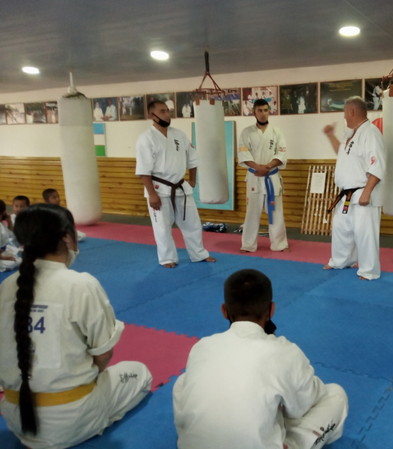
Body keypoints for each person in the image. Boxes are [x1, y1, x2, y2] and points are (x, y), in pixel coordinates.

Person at [0, 204, 152, 449]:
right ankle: (96, 416)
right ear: (67, 237)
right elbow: (103, 354)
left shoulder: (6, 286)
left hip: (16, 418)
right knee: (140, 372)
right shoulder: (81, 285)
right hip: (72, 417)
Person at [173, 268, 348, 449]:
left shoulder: (201, 347)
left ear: (224, 311)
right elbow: (304, 405)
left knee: (183, 381)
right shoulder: (285, 352)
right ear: (271, 309)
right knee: (335, 395)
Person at [135, 100, 215, 268]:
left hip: (181, 187)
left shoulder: (179, 134)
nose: (167, 114)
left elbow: (193, 159)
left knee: (192, 224)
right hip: (159, 189)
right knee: (162, 227)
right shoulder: (146, 138)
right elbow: (143, 171)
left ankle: (199, 254)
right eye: (162, 111)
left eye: (168, 111)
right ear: (151, 115)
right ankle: (167, 258)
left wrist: (192, 180)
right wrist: (152, 194)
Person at [322, 96, 386, 280]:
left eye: (344, 112)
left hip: (363, 192)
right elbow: (342, 153)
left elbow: (378, 164)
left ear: (351, 111)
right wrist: (330, 135)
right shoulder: (352, 134)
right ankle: (341, 261)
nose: (344, 116)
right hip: (346, 194)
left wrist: (367, 192)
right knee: (341, 229)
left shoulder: (370, 133)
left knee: (365, 234)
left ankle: (369, 270)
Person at [237, 98, 289, 252]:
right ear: (254, 112)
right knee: (252, 213)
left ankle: (280, 244)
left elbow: (282, 152)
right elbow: (244, 153)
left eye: (266, 110)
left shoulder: (276, 131)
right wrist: (257, 168)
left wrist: (268, 166)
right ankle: (248, 244)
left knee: (276, 212)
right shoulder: (246, 132)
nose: (263, 113)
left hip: (272, 176)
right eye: (259, 110)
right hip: (254, 176)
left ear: (269, 112)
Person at [0, 199, 20, 272]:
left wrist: (9, 221)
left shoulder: (2, 223)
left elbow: (11, 235)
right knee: (16, 261)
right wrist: (4, 258)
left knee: (16, 253)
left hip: (2, 250)